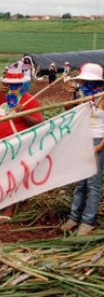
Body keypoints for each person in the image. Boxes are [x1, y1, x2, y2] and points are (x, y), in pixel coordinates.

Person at [0, 66, 43, 218]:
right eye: (9, 84)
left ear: (22, 85)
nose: (13, 87)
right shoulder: (2, 97)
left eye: (16, 85)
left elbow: (38, 123)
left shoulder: (29, 100)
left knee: (13, 176)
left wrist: (23, 114)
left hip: (18, 146)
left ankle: (9, 210)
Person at [61, 63, 104, 236]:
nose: (85, 82)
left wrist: (98, 147)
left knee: (93, 183)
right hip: (81, 139)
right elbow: (68, 109)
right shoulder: (81, 94)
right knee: (80, 181)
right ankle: (74, 217)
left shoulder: (102, 97)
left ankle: (88, 221)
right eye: (84, 80)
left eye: (88, 80)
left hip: (97, 140)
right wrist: (71, 93)